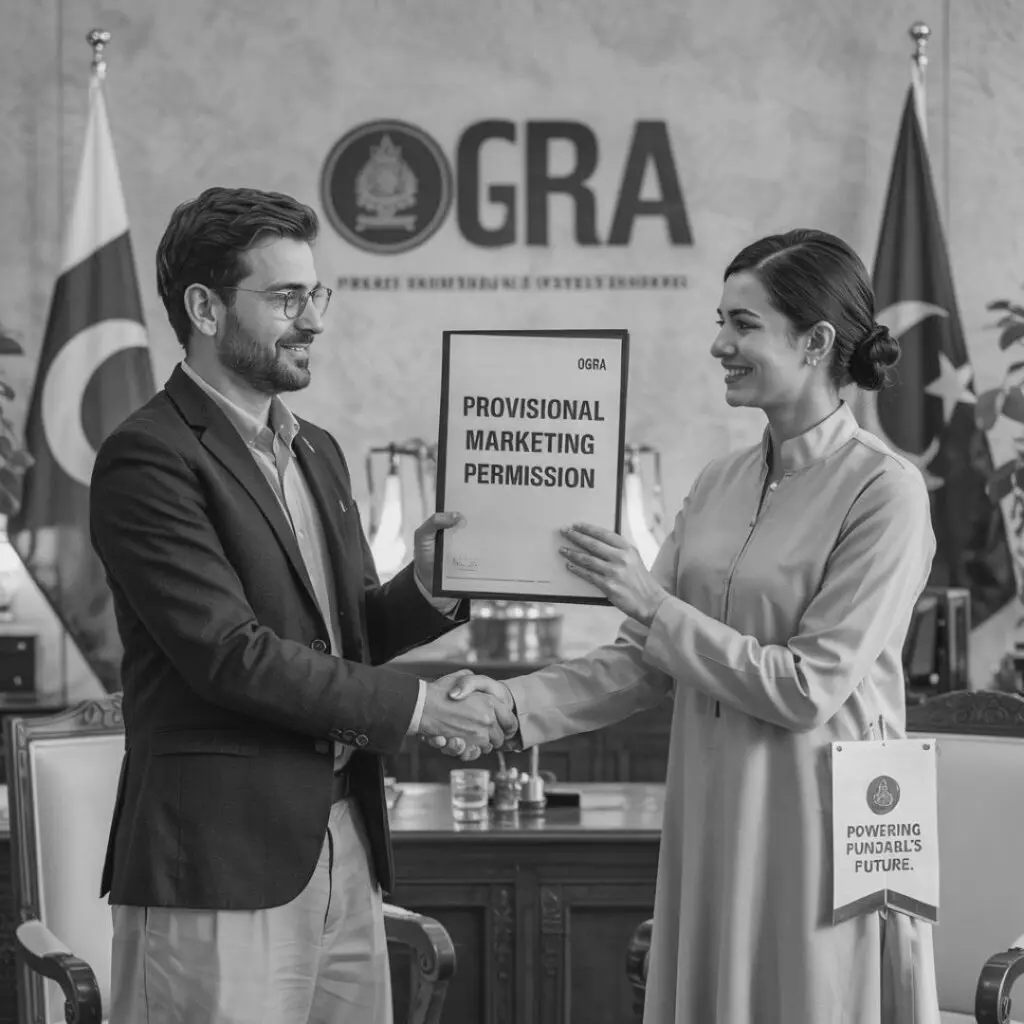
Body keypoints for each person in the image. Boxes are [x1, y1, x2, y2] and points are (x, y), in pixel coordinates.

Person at [441, 229, 941, 1023]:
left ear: (816, 342)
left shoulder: (886, 492)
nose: (719, 345)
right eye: (721, 321)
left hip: (821, 827)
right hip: (710, 811)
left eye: (744, 325)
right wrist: (509, 706)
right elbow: (644, 660)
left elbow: (808, 688)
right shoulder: (718, 483)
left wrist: (653, 603)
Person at [89, 185, 516, 1024]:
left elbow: (339, 637)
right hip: (218, 861)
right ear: (206, 308)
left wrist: (428, 589)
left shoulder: (315, 449)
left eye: (316, 294)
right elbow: (231, 655)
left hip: (345, 841)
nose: (314, 319)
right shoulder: (148, 457)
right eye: (287, 298)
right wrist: (422, 708)